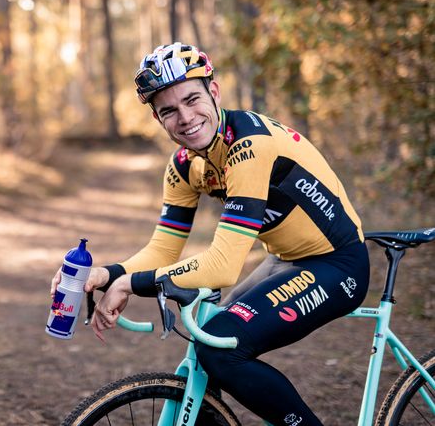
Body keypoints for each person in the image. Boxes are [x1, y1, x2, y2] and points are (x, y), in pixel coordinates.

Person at [50, 42, 370, 425]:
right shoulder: (184, 165)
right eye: (169, 110)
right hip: (284, 260)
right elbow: (162, 250)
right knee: (210, 339)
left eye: (192, 99)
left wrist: (132, 285)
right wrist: (106, 274)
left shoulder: (249, 146)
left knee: (221, 349)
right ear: (158, 119)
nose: (185, 117)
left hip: (338, 262)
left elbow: (222, 265)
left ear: (214, 92)